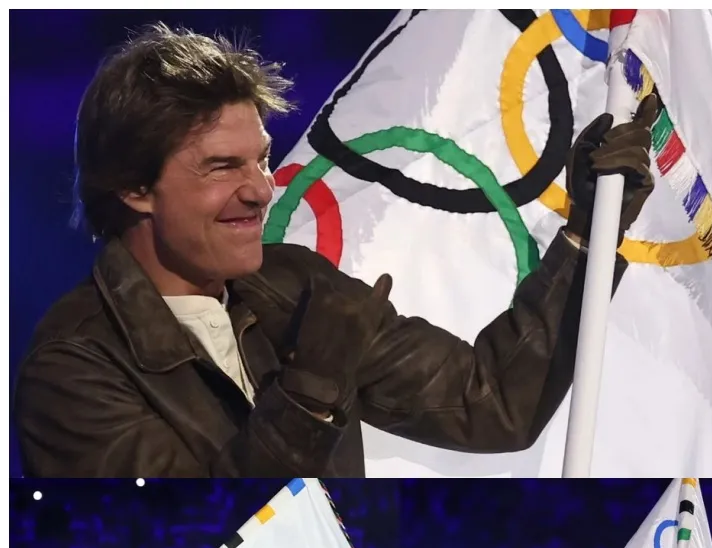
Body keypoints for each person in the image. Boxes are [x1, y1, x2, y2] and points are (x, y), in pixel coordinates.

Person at [13, 23, 658, 478]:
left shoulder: (296, 286)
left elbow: (489, 404)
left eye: (262, 159)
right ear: (133, 186)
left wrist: (584, 236)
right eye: (220, 167)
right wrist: (310, 395)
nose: (261, 190)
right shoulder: (70, 371)